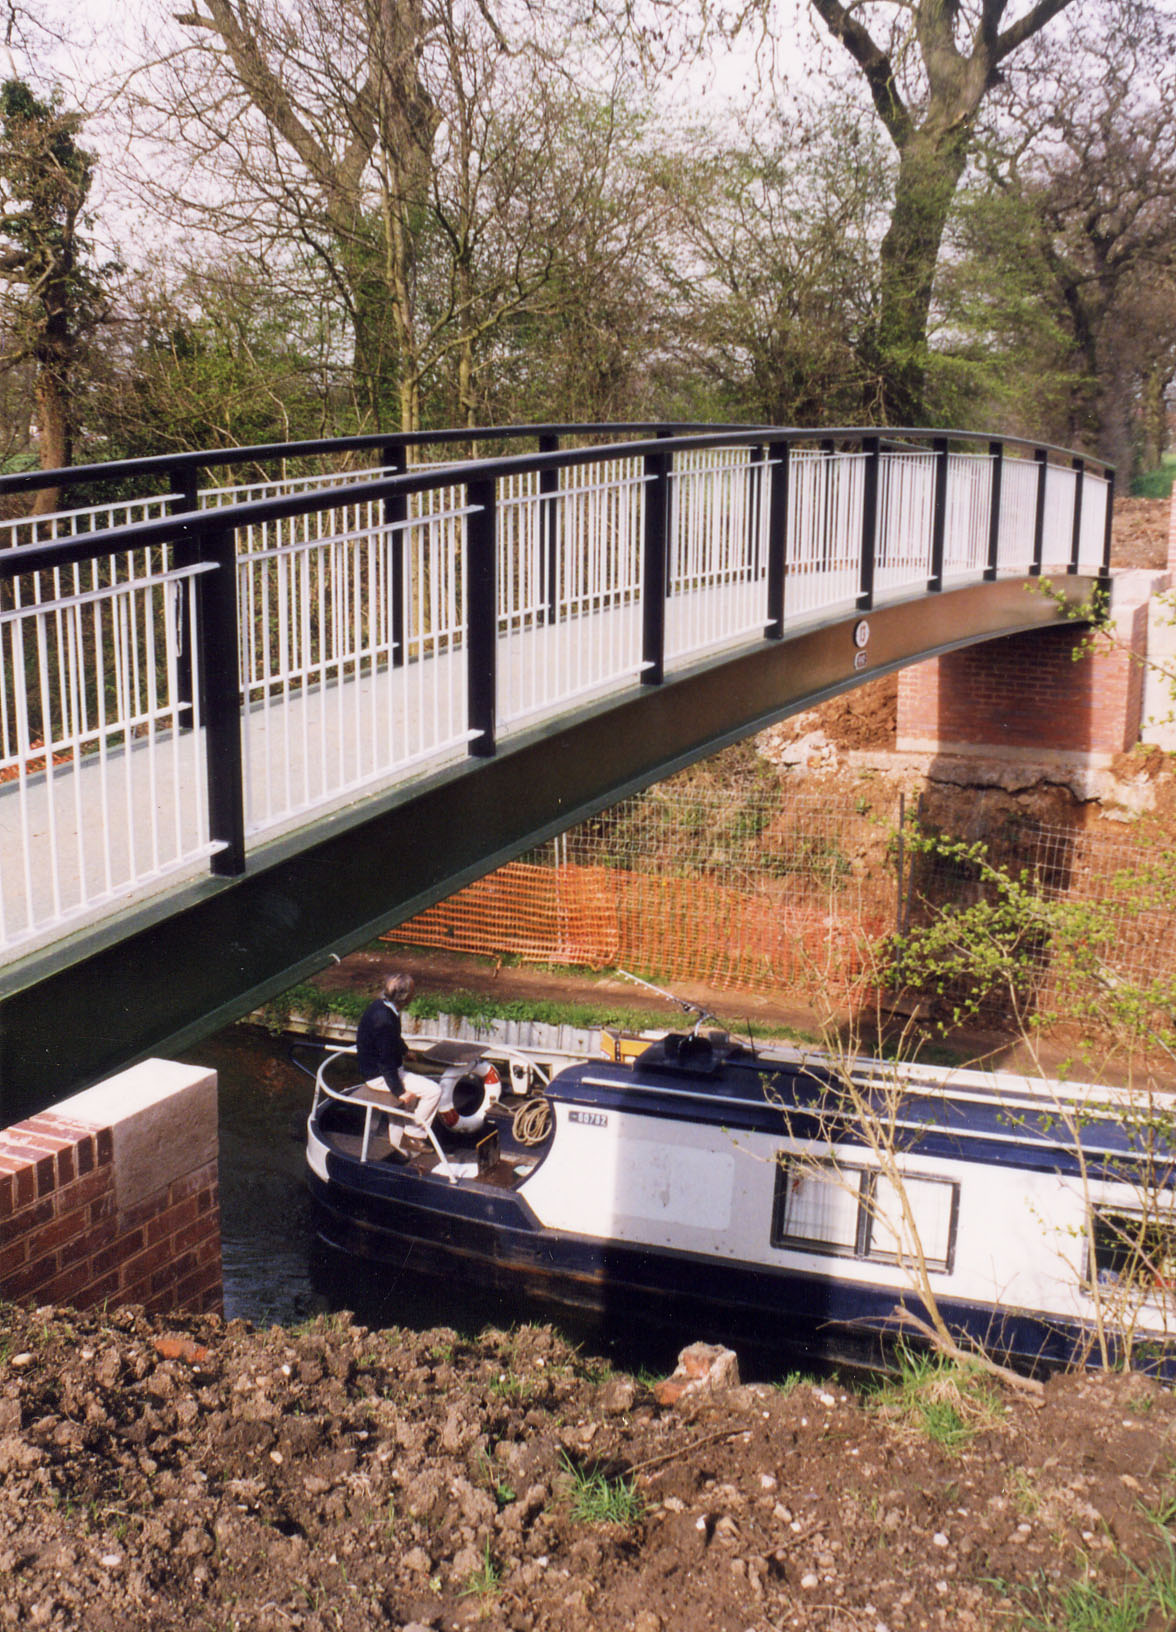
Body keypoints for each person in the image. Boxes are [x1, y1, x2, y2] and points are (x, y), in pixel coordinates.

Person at [354, 972, 442, 1145]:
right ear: (406, 997)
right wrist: (399, 1091)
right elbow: (385, 1062)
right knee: (434, 1091)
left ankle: (397, 1145)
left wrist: (404, 1051)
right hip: (378, 1076)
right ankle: (413, 1135)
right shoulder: (384, 1021)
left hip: (378, 1069)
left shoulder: (381, 1007)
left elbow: (391, 1038)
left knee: (406, 1104)